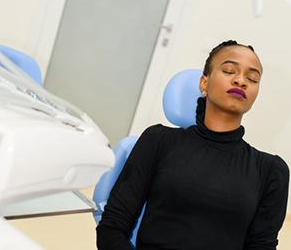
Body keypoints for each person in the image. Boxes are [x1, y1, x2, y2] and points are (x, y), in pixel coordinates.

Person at [96, 40, 290, 250]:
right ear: (204, 84)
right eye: (229, 70)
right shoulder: (159, 140)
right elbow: (112, 227)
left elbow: (261, 246)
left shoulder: (271, 171)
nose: (241, 81)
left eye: (252, 78)